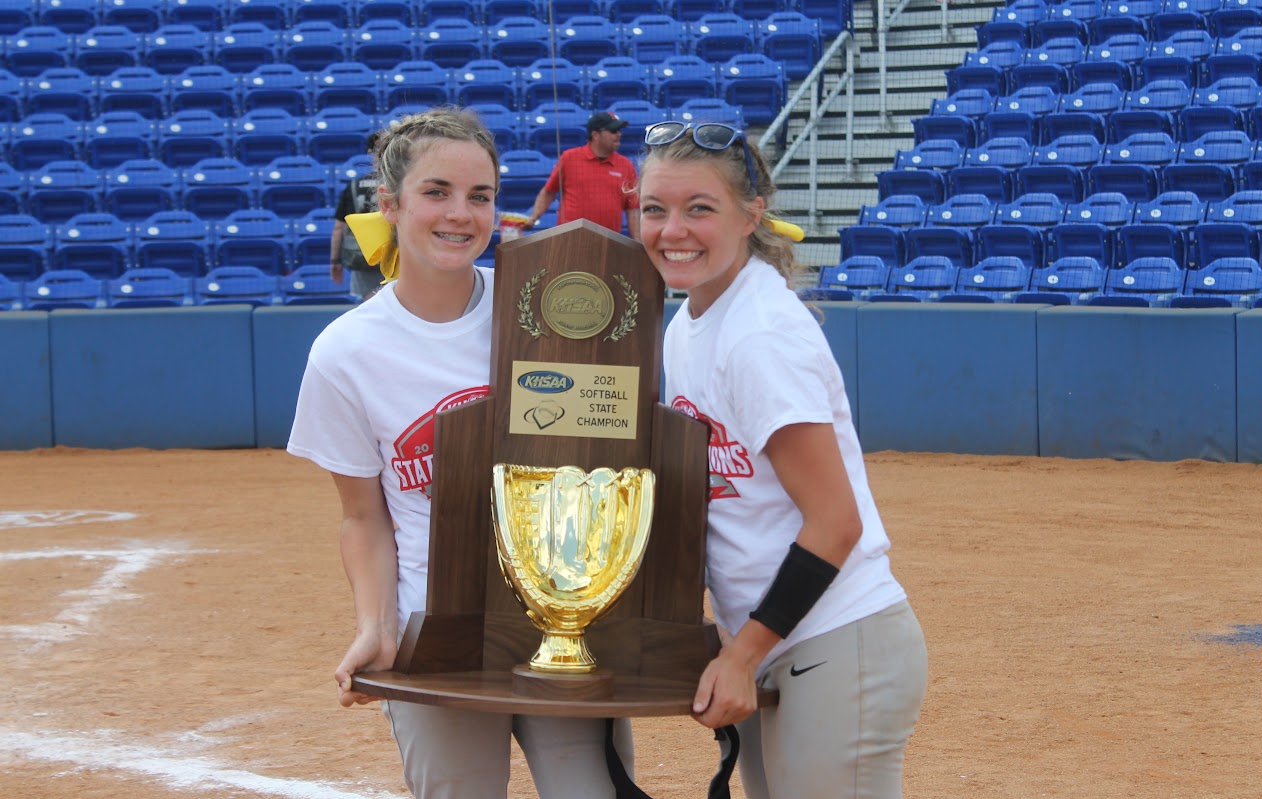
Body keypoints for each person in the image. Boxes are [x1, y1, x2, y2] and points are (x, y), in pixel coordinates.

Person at [288, 107, 633, 799]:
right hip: (436, 638)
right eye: (436, 192)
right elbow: (363, 518)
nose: (461, 214)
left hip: (564, 630)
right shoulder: (345, 354)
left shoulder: (545, 307)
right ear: (389, 204)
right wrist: (376, 626)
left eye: (480, 196)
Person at [636, 121, 928, 799]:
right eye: (655, 208)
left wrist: (741, 652)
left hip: (833, 636)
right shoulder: (688, 323)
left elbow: (834, 522)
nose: (672, 229)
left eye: (699, 208)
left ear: (751, 214)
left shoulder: (758, 335)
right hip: (780, 639)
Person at [524, 111, 640, 236]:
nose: (618, 134)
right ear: (595, 134)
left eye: (619, 131)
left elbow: (633, 208)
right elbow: (549, 192)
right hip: (571, 240)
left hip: (608, 243)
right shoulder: (570, 158)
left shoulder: (625, 165)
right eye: (613, 131)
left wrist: (640, 243)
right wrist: (533, 218)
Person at [330, 132, 386, 301]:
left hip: (363, 255)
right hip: (395, 254)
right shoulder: (404, 184)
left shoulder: (354, 186)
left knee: (370, 304)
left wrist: (335, 261)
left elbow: (339, 228)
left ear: (371, 154)